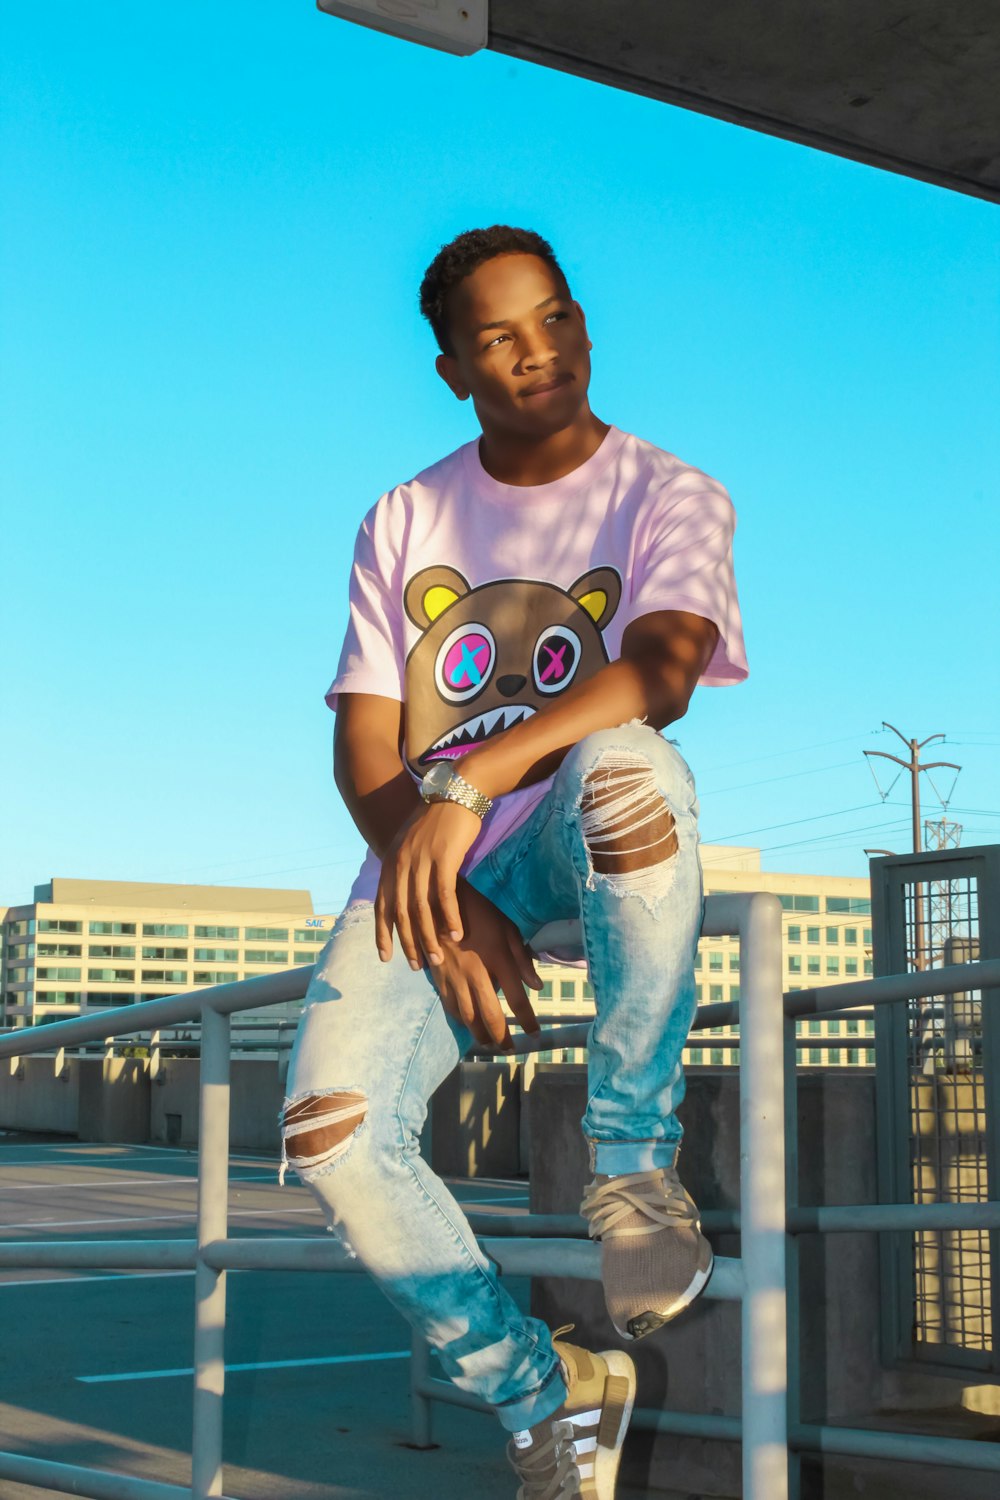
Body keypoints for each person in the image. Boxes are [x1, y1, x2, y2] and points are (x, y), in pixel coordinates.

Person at [279, 225, 748, 1500]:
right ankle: (544, 1397)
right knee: (329, 1133)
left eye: (552, 319)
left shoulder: (670, 493)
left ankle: (632, 1166)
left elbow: (658, 674)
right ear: (452, 369)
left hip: (564, 831)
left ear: (583, 322)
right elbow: (362, 743)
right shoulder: (408, 515)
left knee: (632, 765)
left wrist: (469, 781)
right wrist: (453, 903)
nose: (536, 352)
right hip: (434, 871)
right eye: (498, 337)